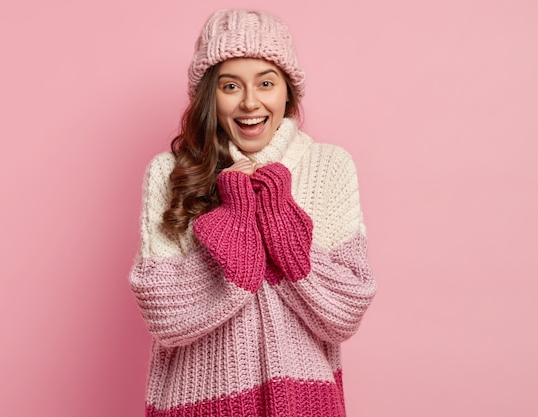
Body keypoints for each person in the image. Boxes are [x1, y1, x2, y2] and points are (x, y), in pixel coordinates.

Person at [130, 8, 376, 417]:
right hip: (198, 402)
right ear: (210, 95)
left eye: (266, 82)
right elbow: (164, 314)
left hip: (303, 402)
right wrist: (236, 222)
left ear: (287, 92)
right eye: (230, 85)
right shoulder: (171, 173)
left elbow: (344, 312)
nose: (250, 102)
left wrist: (280, 226)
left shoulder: (329, 166)